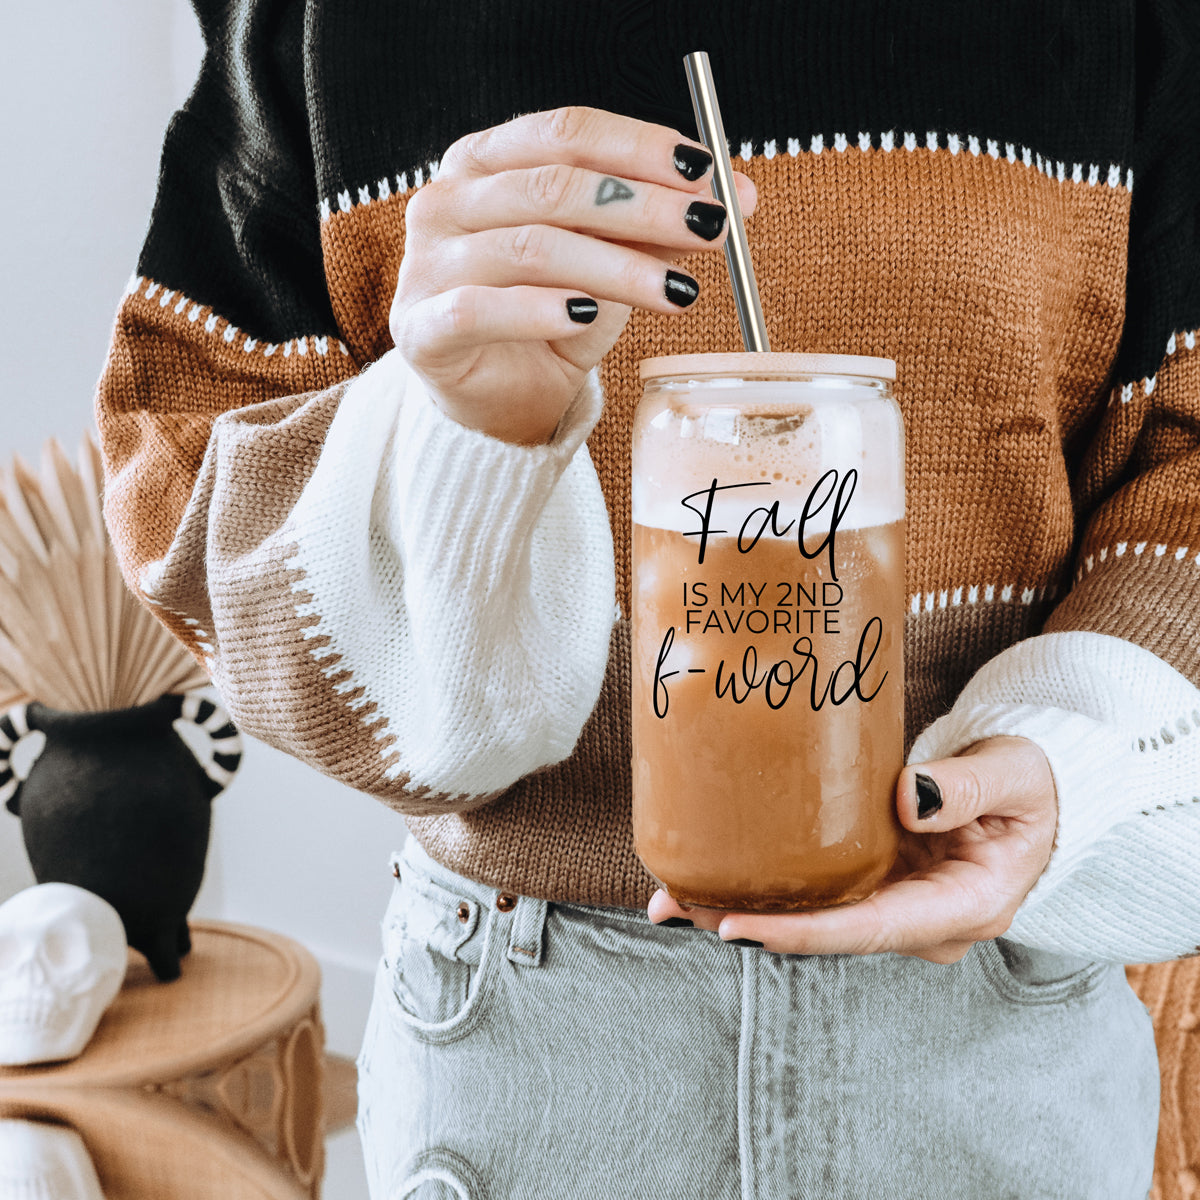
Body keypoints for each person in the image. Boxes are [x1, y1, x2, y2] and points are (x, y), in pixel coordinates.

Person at [97, 1, 1200, 1195]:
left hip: (1000, 1043)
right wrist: (462, 439)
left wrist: (1071, 755)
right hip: (535, 1054)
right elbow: (186, 477)